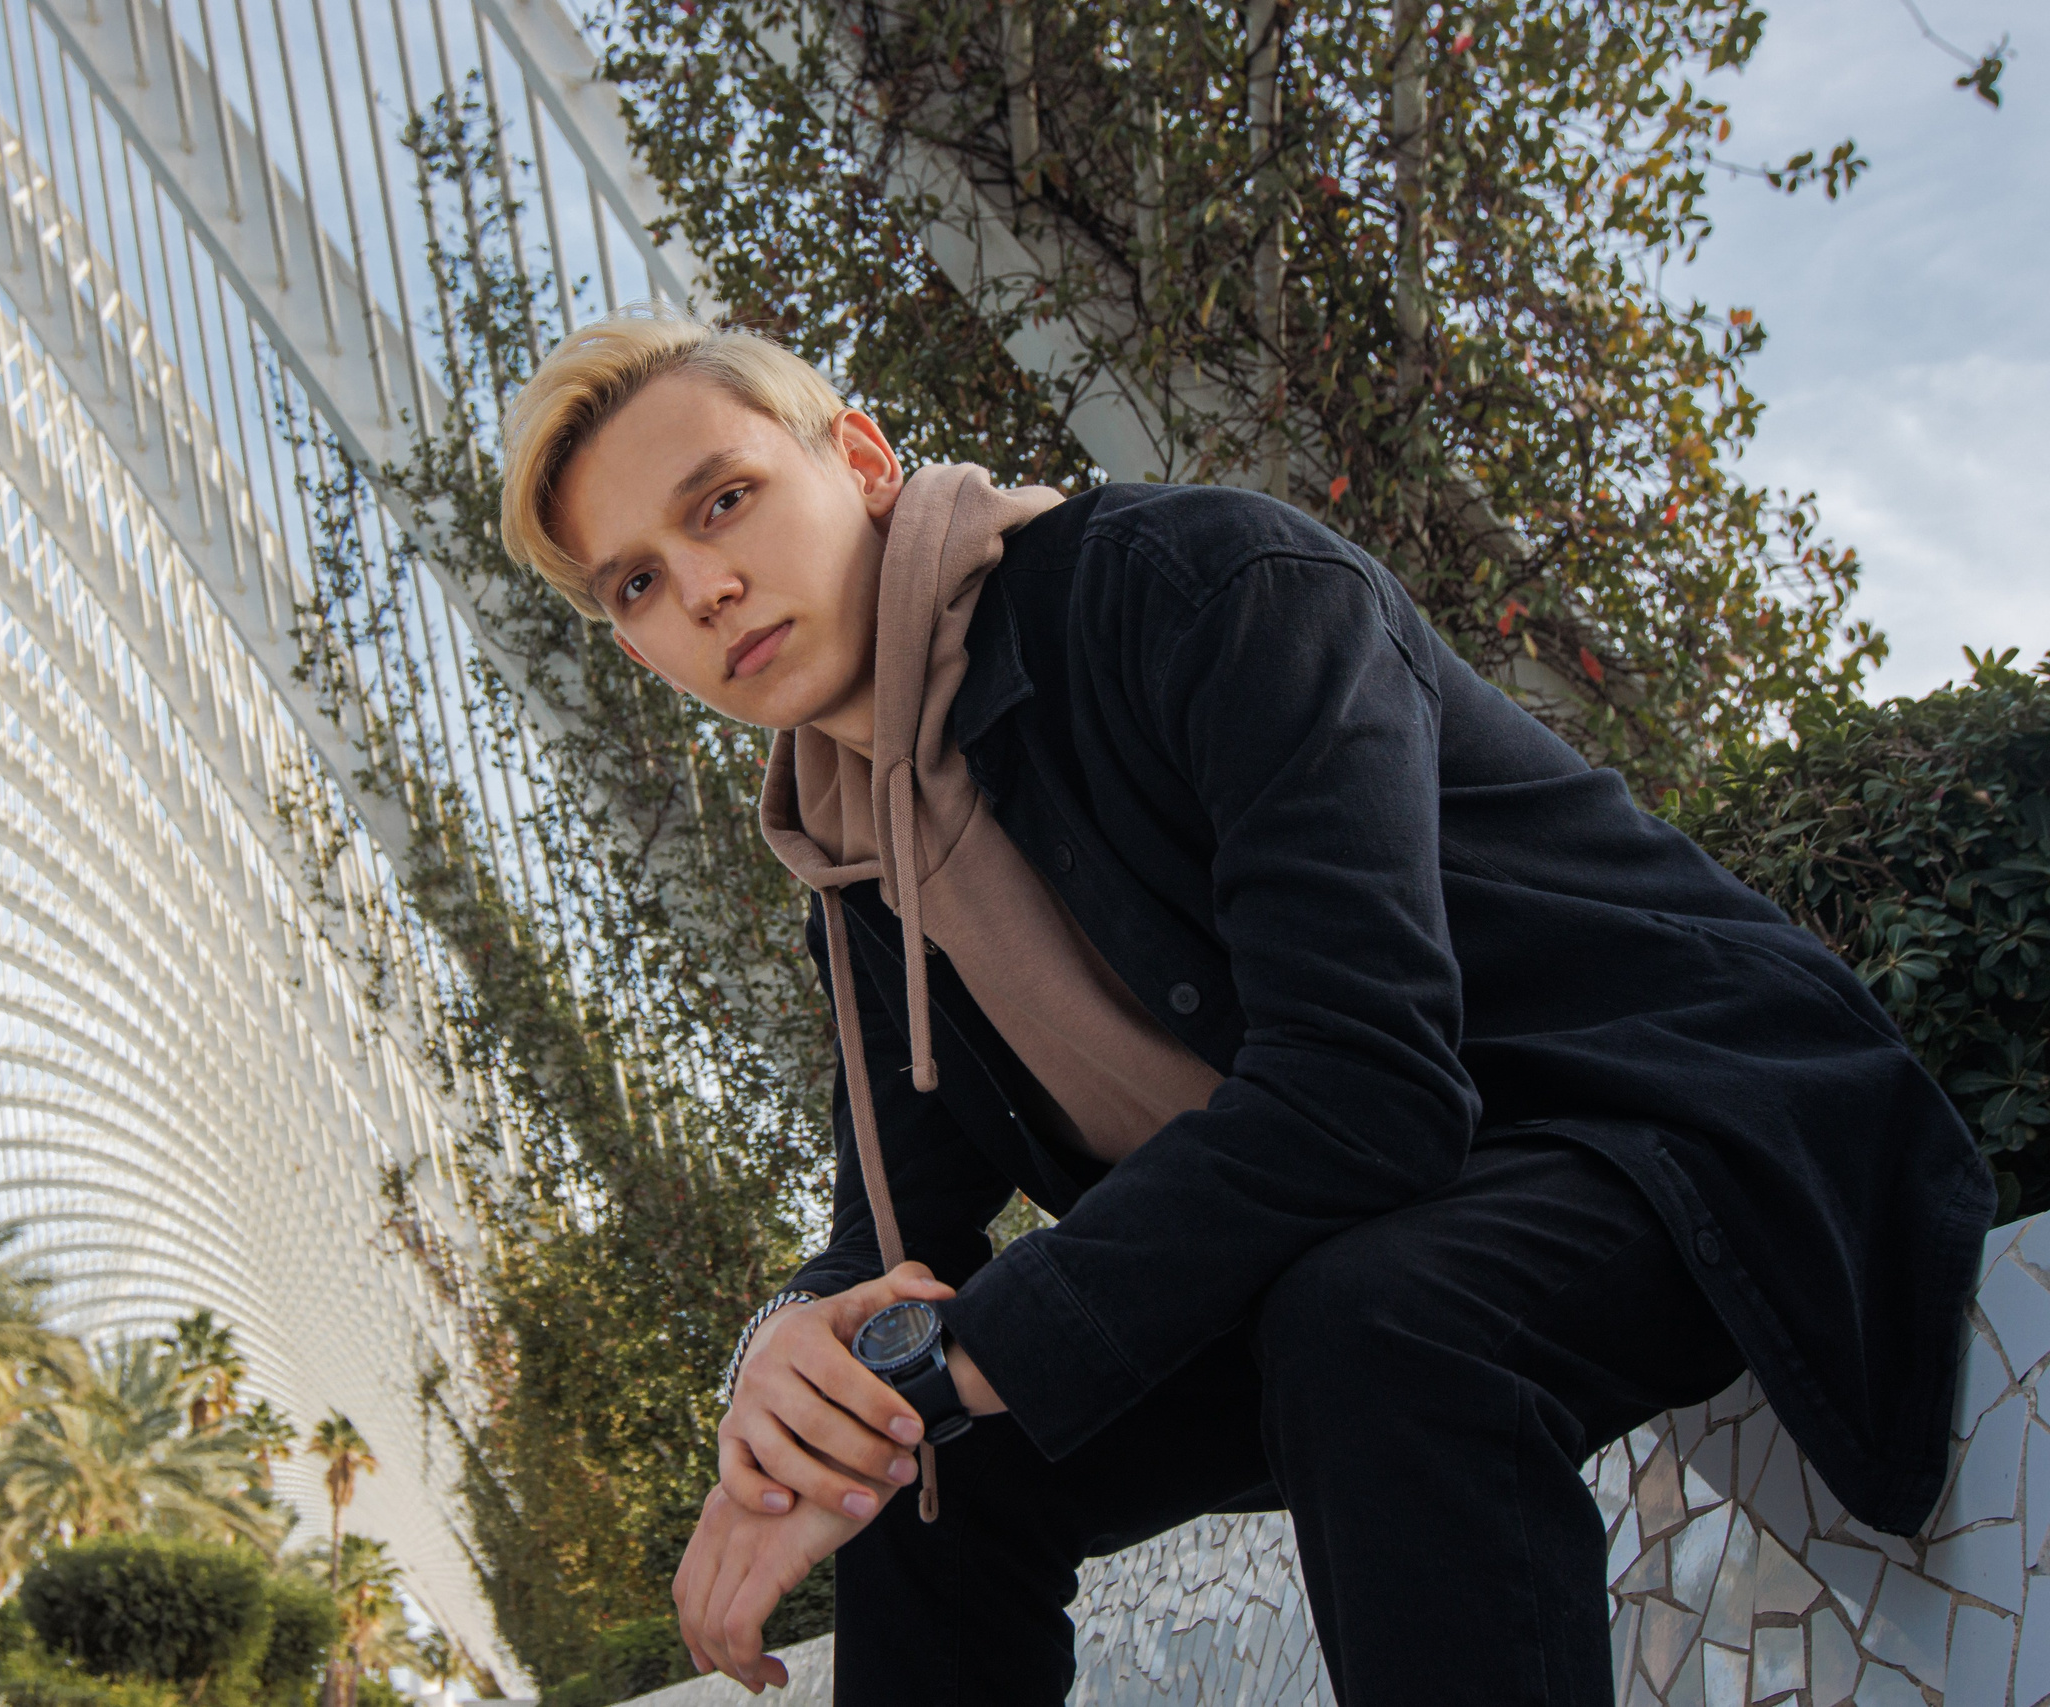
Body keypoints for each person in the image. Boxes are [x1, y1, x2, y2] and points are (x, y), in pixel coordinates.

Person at [494, 307, 1991, 1707]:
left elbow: (1369, 1085)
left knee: (1379, 1319)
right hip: (1366, 1233)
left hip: (1671, 1126)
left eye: (722, 501)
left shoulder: (1199, 589)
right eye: (636, 581)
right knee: (921, 1464)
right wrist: (789, 1371)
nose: (702, 587)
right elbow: (892, 1251)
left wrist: (929, 1365)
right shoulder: (853, 864)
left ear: (865, 461)